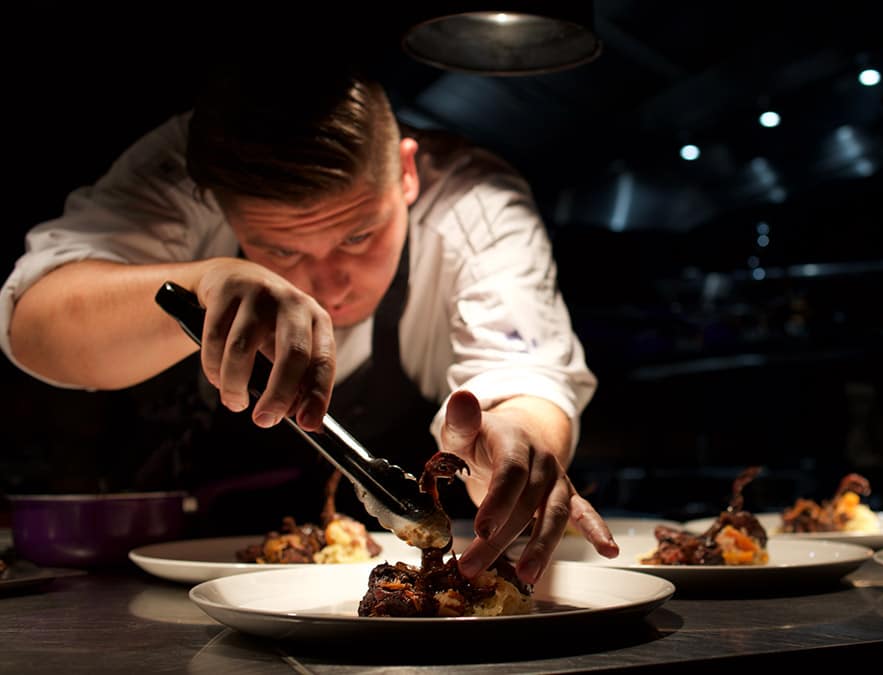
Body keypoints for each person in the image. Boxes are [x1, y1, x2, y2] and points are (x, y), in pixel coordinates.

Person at [0, 59, 617, 584]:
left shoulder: (473, 201)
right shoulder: (180, 173)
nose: (328, 284)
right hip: (184, 575)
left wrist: (518, 435)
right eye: (283, 250)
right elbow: (34, 325)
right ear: (217, 206)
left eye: (358, 234)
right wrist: (198, 284)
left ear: (406, 172)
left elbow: (527, 369)